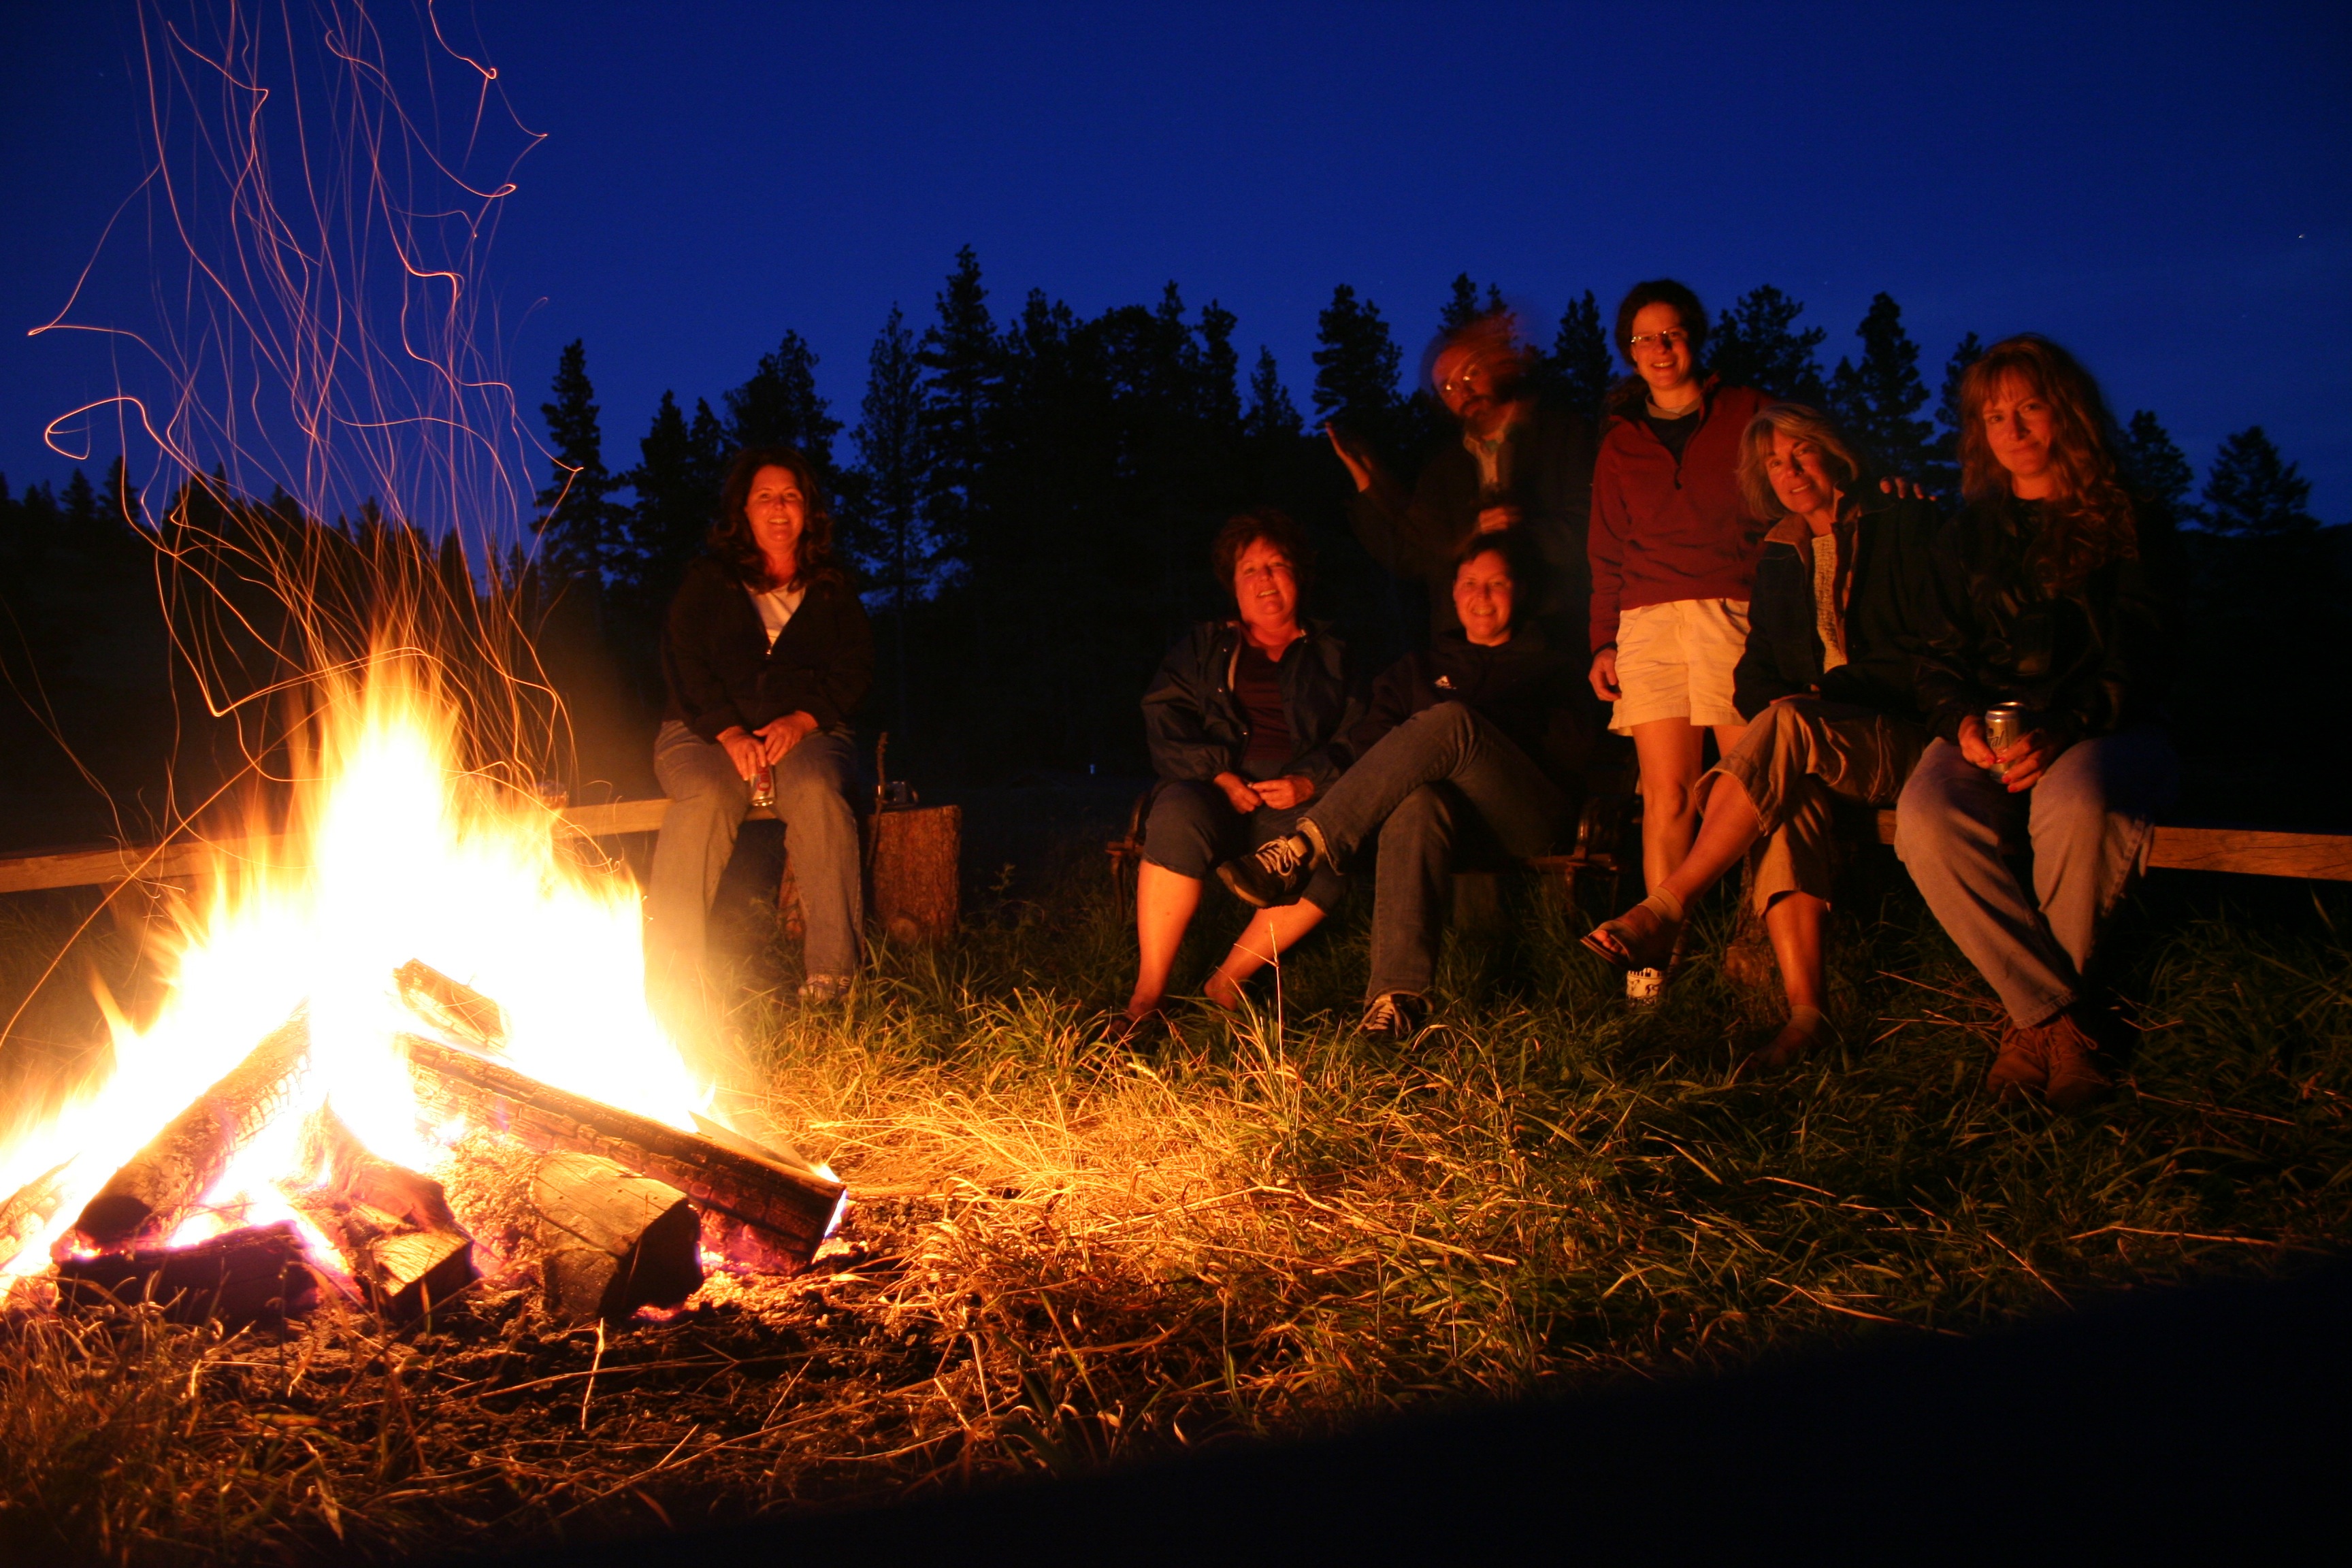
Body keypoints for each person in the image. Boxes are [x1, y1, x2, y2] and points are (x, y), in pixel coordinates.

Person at [1583, 404, 1938, 1071]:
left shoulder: (1900, 524)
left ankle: (1666, 907)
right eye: (1775, 463)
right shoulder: (1782, 549)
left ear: (1836, 454)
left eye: (1801, 454)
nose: (1790, 472)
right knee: (1787, 798)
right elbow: (1755, 675)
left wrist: (1816, 703)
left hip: (1905, 738)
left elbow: (1928, 654)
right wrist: (1779, 703)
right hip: (1817, 742)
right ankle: (1809, 1015)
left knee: (1790, 727)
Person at [1893, 336, 2178, 1112]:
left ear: (2068, 414)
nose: (2012, 429)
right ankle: (2063, 1021)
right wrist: (1959, 725)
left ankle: (2033, 1031)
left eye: (2029, 408)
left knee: (2076, 802)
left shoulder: (2130, 522)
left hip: (2105, 727)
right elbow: (1938, 656)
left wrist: (2069, 726)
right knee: (1925, 815)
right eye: (1994, 416)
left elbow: (2141, 653)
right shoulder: (1967, 535)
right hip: (1992, 731)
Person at [1218, 531, 1597, 1039]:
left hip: (1526, 818)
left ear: (1520, 592)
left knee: (1450, 722)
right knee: (1417, 798)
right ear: (1453, 592)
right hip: (1445, 825)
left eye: (1497, 583)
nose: (1481, 597)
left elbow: (1574, 761)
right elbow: (1370, 750)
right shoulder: (1417, 669)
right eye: (1469, 583)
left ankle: (1303, 846)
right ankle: (1395, 1002)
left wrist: (1483, 742)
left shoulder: (1553, 669)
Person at [1114, 509, 1361, 1040]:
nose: (1263, 579)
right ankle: (1145, 999)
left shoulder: (1338, 652)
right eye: (1250, 569)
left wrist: (1309, 781)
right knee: (1177, 810)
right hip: (1217, 789)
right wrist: (1219, 774)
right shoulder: (1207, 647)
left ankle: (1227, 980)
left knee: (1336, 846)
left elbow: (1363, 733)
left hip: (1299, 799)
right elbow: (1162, 715)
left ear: (1300, 575)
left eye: (1276, 565)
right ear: (1233, 584)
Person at [1586, 280, 1771, 987]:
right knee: (1668, 797)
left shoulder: (1747, 414)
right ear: (1628, 353)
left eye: (1670, 334)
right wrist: (1604, 639)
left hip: (1730, 611)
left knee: (1750, 784)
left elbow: (1794, 488)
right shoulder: (1621, 443)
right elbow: (1606, 550)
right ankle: (1655, 966)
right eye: (1643, 339)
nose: (1659, 350)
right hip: (1647, 622)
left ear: (1694, 337)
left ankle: (1760, 953)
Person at [647, 446, 874, 1014]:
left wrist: (804, 719)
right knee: (705, 796)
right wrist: (728, 733)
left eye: (791, 497)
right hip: (704, 732)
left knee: (819, 794)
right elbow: (682, 660)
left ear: (809, 511)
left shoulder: (832, 587)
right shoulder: (710, 581)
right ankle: (671, 981)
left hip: (806, 732)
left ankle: (832, 978)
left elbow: (856, 669)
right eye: (765, 497)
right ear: (743, 511)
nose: (779, 509)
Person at [1330, 310, 1597, 638]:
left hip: (1551, 634)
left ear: (1496, 366)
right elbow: (1414, 554)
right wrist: (1366, 480)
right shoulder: (1444, 468)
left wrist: (1521, 527)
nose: (1463, 392)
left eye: (1471, 374)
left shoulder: (1560, 436)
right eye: (1448, 387)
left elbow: (1591, 527)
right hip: (1465, 647)